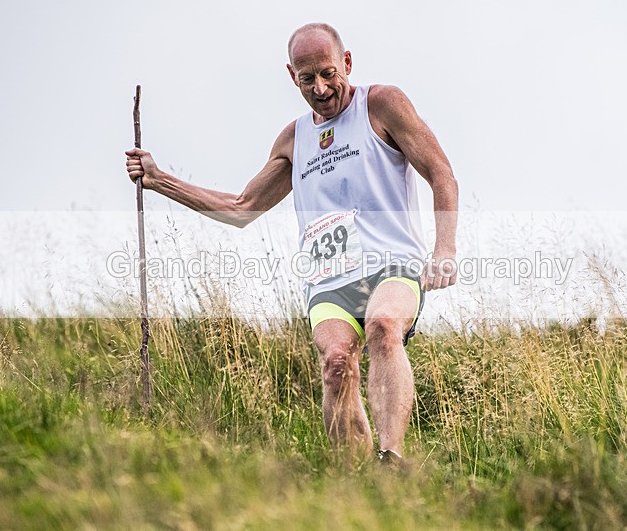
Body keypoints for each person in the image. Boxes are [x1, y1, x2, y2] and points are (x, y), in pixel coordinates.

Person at [125, 23, 458, 462]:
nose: (320, 88)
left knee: (383, 326)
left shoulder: (381, 105)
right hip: (328, 280)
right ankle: (356, 482)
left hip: (392, 264)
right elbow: (242, 207)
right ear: (292, 76)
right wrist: (159, 180)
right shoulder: (294, 139)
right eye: (307, 78)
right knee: (337, 363)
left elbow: (441, 173)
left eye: (328, 73)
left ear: (348, 64)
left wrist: (444, 251)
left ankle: (391, 459)